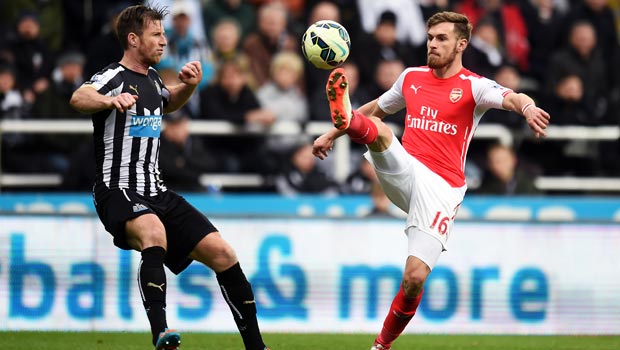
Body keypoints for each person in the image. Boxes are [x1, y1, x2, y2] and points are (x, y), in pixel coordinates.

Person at [312, 11, 550, 350]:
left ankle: (380, 345)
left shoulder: (474, 86)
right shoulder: (411, 78)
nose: (433, 44)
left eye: (441, 39)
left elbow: (513, 97)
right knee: (379, 131)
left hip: (441, 189)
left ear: (461, 44)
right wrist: (332, 132)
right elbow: (377, 109)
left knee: (414, 279)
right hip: (406, 169)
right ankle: (345, 114)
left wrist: (527, 109)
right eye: (430, 38)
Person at [69, 5, 270, 350]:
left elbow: (167, 102)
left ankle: (256, 346)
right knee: (153, 232)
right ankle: (161, 332)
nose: (164, 41)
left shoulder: (154, 78)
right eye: (156, 35)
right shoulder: (113, 77)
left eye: (163, 34)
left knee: (223, 253)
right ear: (133, 39)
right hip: (117, 189)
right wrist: (108, 101)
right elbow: (78, 96)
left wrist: (188, 86)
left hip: (157, 191)